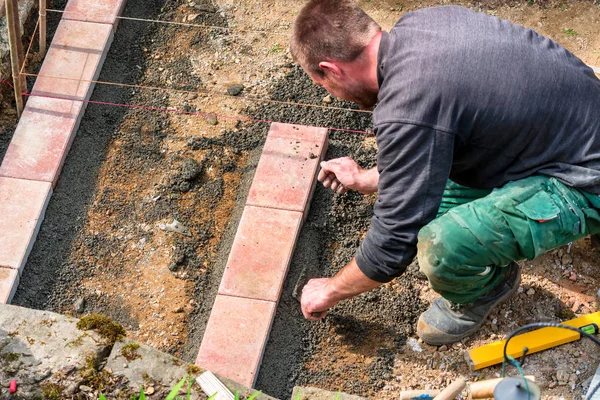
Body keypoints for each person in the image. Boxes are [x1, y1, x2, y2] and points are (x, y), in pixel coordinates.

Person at [290, 0, 600, 345]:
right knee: (436, 201)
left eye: (325, 86)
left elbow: (393, 245)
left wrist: (330, 290)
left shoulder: (408, 104)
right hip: (572, 128)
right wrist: (368, 179)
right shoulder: (427, 22)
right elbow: (434, 137)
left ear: (331, 69)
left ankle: (487, 290)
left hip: (587, 178)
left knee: (444, 246)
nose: (333, 95)